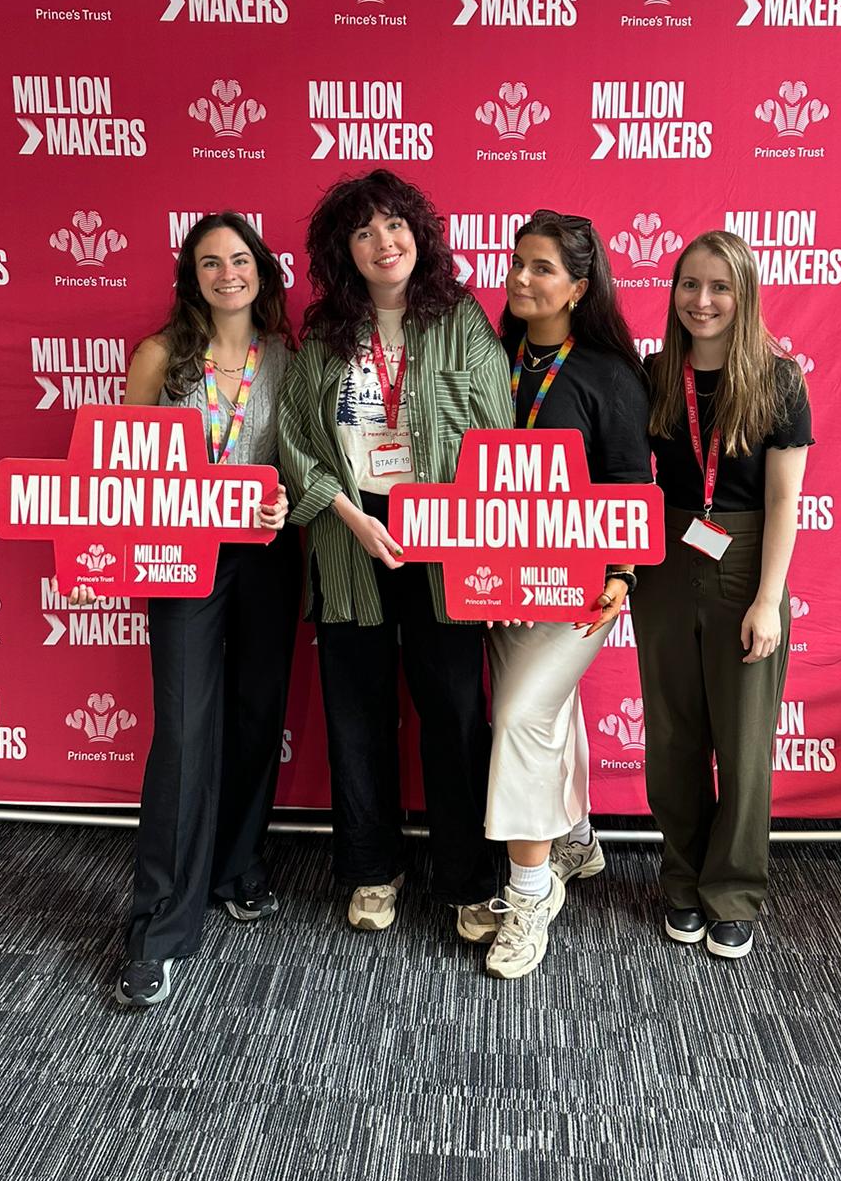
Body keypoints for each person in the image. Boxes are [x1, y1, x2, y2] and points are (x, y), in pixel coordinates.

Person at [278, 169, 513, 941]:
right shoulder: (324, 332)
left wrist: (463, 528)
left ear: (418, 233)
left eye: (394, 224)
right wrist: (347, 514)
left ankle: (468, 879)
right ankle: (372, 868)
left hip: (446, 535)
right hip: (350, 534)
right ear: (343, 251)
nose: (383, 241)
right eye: (363, 230)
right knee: (356, 712)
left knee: (455, 711)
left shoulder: (461, 318)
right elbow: (294, 440)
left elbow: (498, 433)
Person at [112, 213, 301, 1008]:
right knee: (185, 733)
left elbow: (305, 462)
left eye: (239, 258)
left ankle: (236, 868)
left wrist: (286, 502)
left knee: (257, 718)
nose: (228, 273)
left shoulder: (287, 358)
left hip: (266, 557)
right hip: (181, 559)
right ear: (191, 277)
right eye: (210, 262)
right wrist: (96, 556)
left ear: (261, 269)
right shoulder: (161, 356)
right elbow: (121, 468)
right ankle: (158, 929)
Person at [632, 229, 812, 961]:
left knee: (742, 746)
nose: (701, 301)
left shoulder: (780, 381)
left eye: (719, 287)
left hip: (745, 563)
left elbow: (784, 501)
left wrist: (768, 600)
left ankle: (732, 893)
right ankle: (681, 879)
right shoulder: (652, 373)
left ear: (745, 296)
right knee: (673, 738)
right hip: (665, 559)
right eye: (689, 284)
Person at [483, 210, 651, 980]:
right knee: (544, 712)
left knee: (521, 716)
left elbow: (629, 483)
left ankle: (529, 893)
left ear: (579, 287)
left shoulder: (610, 375)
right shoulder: (492, 357)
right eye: (518, 262)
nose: (521, 277)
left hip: (578, 588)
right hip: (494, 583)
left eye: (542, 267)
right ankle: (576, 839)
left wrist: (620, 574)